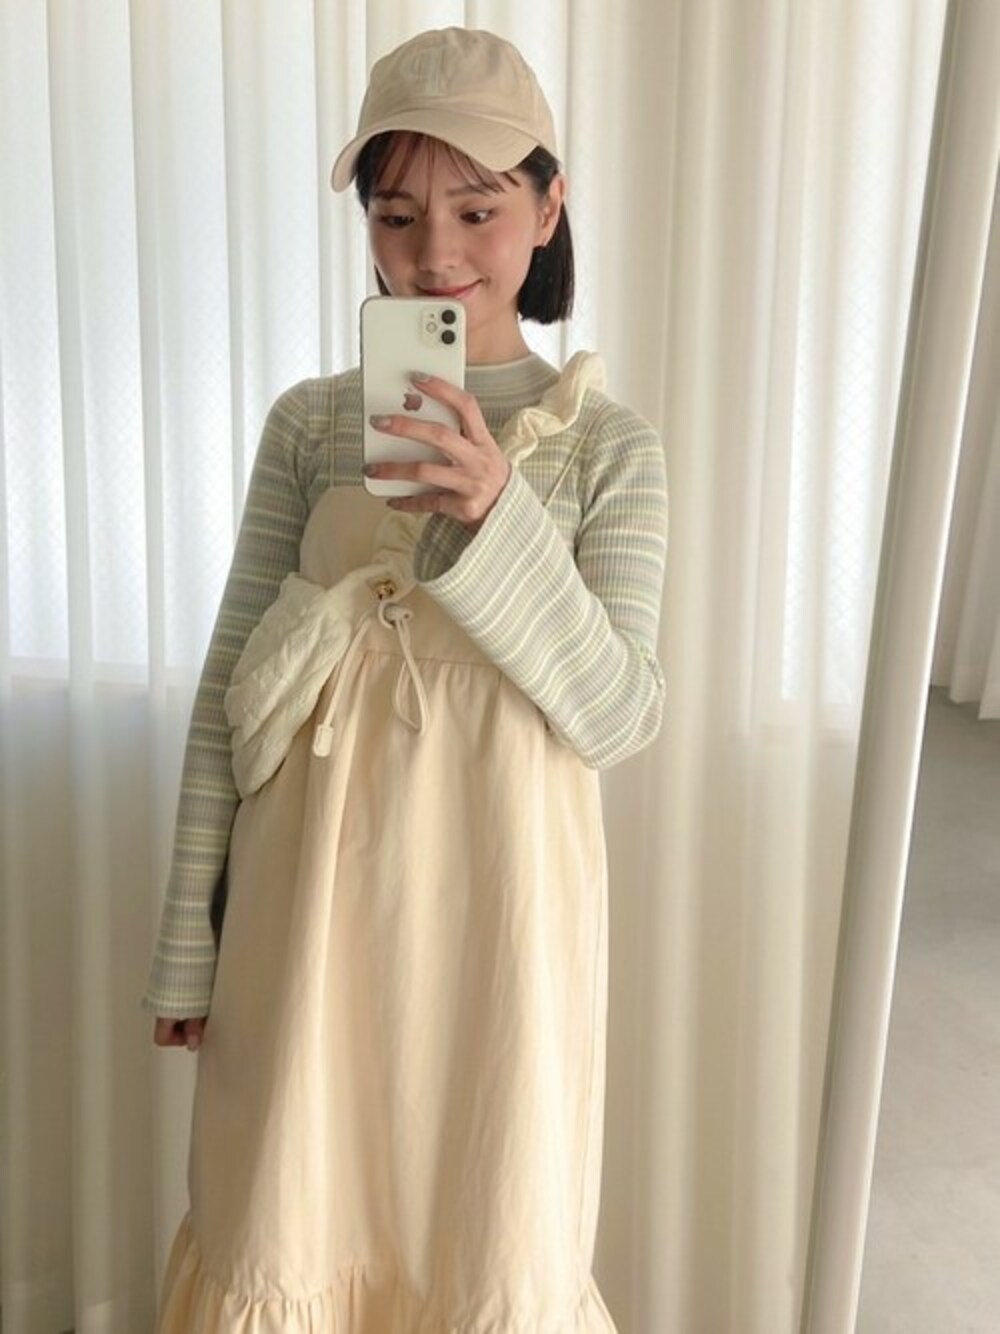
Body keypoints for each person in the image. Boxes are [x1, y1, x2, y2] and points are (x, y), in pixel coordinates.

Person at [144, 26, 667, 1333]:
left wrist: (496, 513)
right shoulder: (312, 423)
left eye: (478, 210)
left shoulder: (607, 446)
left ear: (548, 207)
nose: (434, 252)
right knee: (285, 1207)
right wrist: (188, 942)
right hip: (304, 907)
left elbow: (618, 712)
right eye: (396, 213)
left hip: (502, 921)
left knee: (481, 1223)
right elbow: (231, 686)